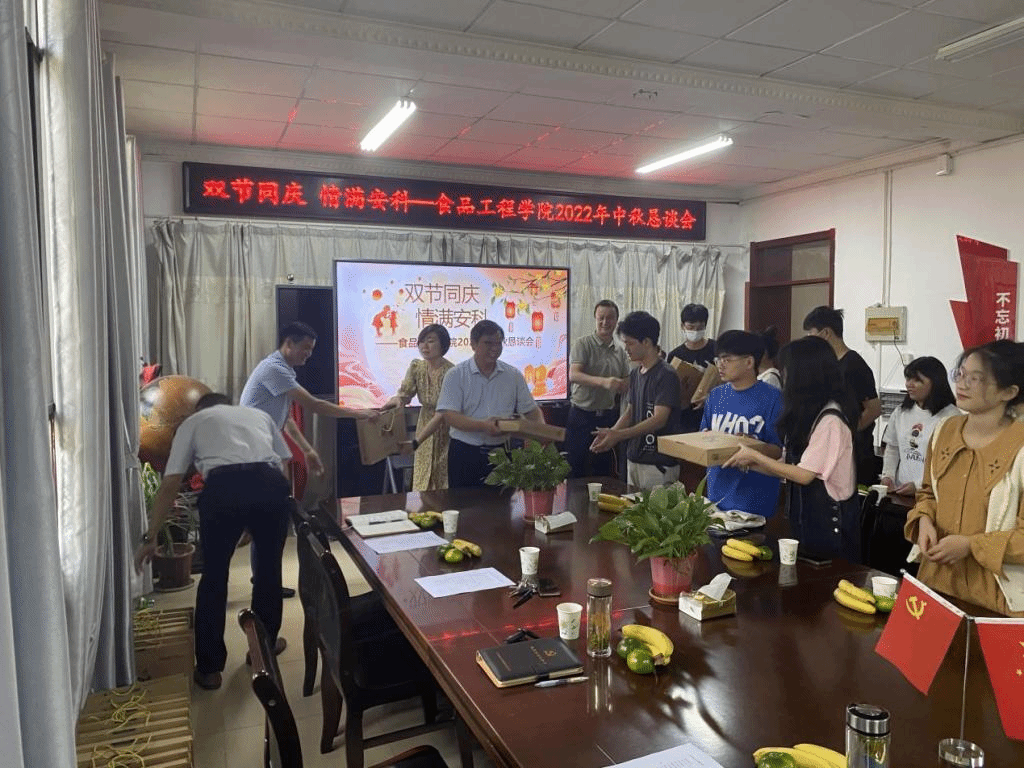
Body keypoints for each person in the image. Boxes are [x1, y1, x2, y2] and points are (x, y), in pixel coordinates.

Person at [134, 393, 294, 690]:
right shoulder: (259, 416)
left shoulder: (193, 422)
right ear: (229, 405)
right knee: (269, 573)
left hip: (223, 489)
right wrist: (267, 507)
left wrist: (151, 535)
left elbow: (171, 482)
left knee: (214, 578)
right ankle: (264, 648)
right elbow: (284, 462)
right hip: (271, 486)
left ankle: (209, 669)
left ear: (199, 409)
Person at [905, 340, 1024, 617]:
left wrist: (971, 545)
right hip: (935, 584)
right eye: (961, 374)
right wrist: (924, 520)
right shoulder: (944, 430)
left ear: (1009, 392)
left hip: (996, 598)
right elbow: (927, 493)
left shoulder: (1019, 446)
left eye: (976, 378)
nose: (962, 384)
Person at [724, 336, 861, 562]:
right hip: (806, 530)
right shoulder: (809, 416)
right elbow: (786, 468)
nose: (784, 377)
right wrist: (747, 463)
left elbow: (804, 475)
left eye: (787, 371)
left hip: (831, 536)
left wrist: (755, 455)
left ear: (804, 374)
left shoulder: (831, 420)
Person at [240, 321, 378, 477]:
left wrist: (308, 450)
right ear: (289, 343)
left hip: (264, 437)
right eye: (306, 348)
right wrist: (360, 414)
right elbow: (314, 405)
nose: (309, 354)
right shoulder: (274, 369)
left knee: (282, 480)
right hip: (254, 440)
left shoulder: (283, 369)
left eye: (311, 349)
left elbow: (287, 420)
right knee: (273, 485)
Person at [435, 319, 544, 488]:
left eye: (498, 343)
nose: (494, 348)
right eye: (488, 343)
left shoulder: (512, 375)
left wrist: (543, 433)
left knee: (502, 502)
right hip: (465, 453)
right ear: (473, 344)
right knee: (463, 502)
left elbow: (531, 411)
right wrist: (483, 425)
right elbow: (449, 416)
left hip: (502, 453)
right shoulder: (455, 375)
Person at [591, 311, 680, 491]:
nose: (626, 348)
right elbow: (631, 411)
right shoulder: (635, 373)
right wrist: (612, 433)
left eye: (630, 343)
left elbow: (659, 419)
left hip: (658, 462)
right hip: (635, 458)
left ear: (646, 342)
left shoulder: (666, 374)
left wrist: (619, 435)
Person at [701, 330, 783, 518]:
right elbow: (703, 436)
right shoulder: (716, 395)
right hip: (717, 495)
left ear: (749, 362)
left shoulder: (773, 398)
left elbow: (778, 450)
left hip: (754, 499)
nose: (720, 365)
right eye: (718, 359)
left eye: (727, 359)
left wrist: (750, 446)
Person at [803, 306, 881, 486]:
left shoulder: (854, 365)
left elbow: (874, 409)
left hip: (855, 452)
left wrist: (847, 431)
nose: (809, 340)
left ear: (826, 333)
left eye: (811, 334)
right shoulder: (828, 365)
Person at [384, 324, 454, 491]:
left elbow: (447, 409)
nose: (424, 346)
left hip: (448, 428)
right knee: (423, 478)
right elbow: (405, 394)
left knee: (444, 478)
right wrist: (396, 401)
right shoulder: (417, 368)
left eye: (430, 341)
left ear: (443, 345)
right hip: (425, 423)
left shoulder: (452, 372)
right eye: (422, 341)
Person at [565, 300, 629, 478]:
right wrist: (604, 382)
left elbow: (627, 379)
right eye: (601, 318)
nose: (605, 322)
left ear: (616, 321)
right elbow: (574, 375)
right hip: (581, 416)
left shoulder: (620, 351)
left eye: (610, 318)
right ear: (595, 318)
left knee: (603, 471)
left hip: (607, 417)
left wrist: (625, 383)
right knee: (575, 468)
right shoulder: (583, 344)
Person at [880, 356, 959, 497]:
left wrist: (918, 485)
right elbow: (892, 448)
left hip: (931, 496)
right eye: (908, 379)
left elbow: (950, 464)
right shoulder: (900, 412)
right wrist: (888, 476)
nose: (909, 384)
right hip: (900, 492)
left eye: (917, 380)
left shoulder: (952, 417)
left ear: (935, 383)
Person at [667, 303, 716, 433]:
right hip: (684, 418)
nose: (695, 331)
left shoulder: (716, 349)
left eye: (700, 328)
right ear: (682, 326)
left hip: (712, 416)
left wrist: (710, 398)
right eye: (691, 327)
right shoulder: (675, 355)